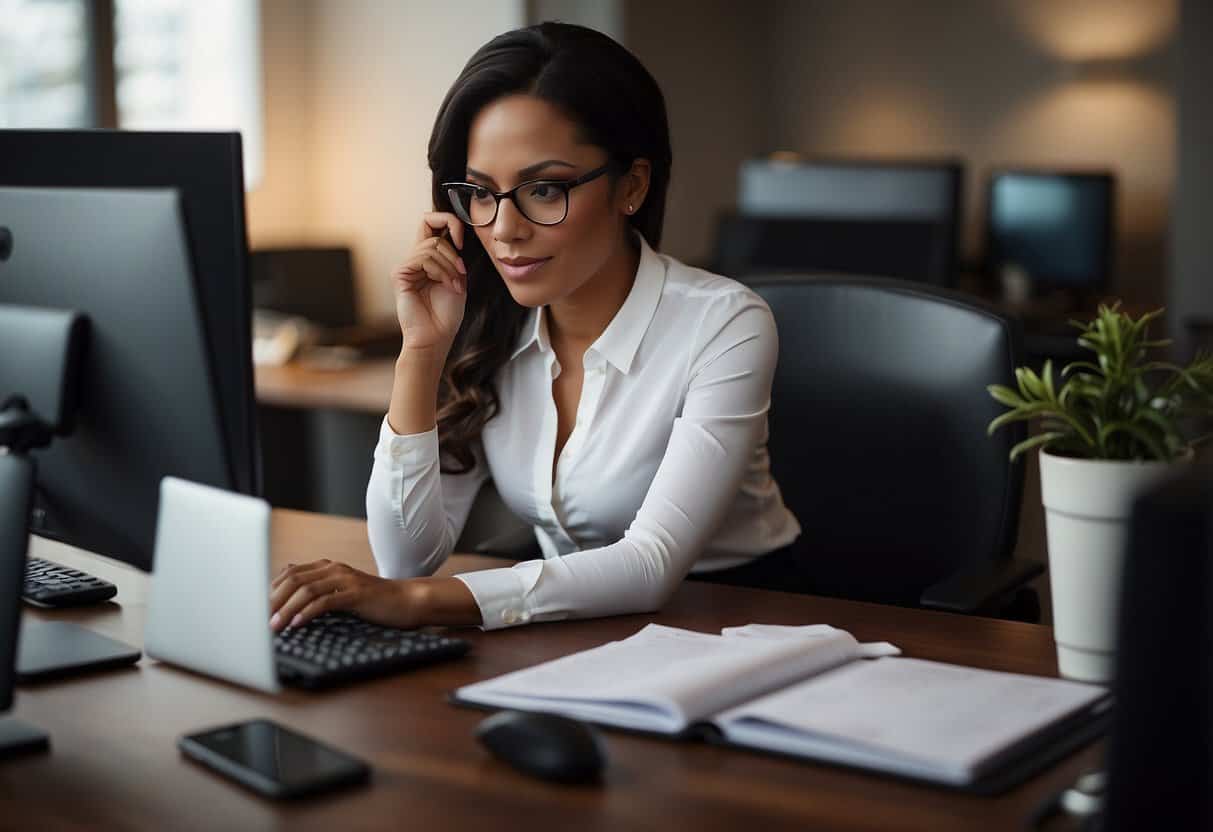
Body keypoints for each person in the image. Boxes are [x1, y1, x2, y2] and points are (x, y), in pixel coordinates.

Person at [269, 21, 800, 633]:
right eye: (481, 193)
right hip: (573, 630)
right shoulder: (489, 321)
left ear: (632, 185)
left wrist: (415, 602)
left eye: (543, 189)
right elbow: (406, 557)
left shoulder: (725, 323)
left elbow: (650, 565)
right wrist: (421, 352)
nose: (503, 229)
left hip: (739, 623)